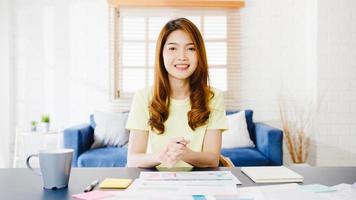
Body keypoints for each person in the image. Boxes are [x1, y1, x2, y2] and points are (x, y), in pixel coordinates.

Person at [125, 18, 228, 168]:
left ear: (200, 54)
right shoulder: (144, 97)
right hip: (158, 183)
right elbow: (133, 159)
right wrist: (161, 156)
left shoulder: (213, 97)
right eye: (173, 48)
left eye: (191, 49)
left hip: (200, 181)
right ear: (161, 54)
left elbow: (212, 159)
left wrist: (184, 153)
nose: (182, 57)